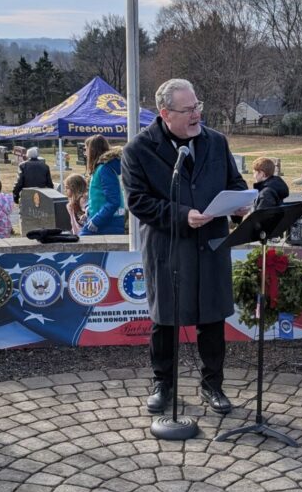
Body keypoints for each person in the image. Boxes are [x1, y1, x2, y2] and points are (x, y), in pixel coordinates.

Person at [121, 78, 247, 415]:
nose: (196, 115)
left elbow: (235, 182)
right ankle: (164, 384)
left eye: (198, 107)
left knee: (212, 319)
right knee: (165, 321)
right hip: (169, 247)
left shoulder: (216, 142)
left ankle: (213, 384)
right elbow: (138, 202)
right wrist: (180, 215)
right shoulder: (138, 150)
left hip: (212, 245)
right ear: (165, 113)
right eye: (188, 110)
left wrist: (239, 203)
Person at [80, 134, 125, 236]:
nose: (85, 153)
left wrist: (96, 221)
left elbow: (113, 201)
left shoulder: (104, 169)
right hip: (105, 219)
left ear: (92, 150)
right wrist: (89, 209)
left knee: (82, 242)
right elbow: (98, 196)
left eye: (86, 149)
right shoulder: (101, 168)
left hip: (107, 222)